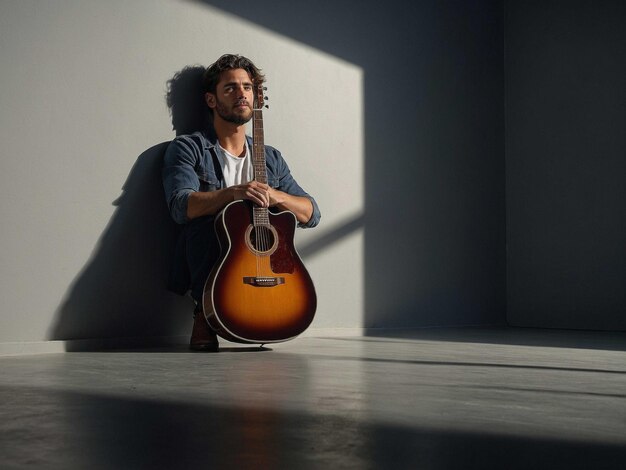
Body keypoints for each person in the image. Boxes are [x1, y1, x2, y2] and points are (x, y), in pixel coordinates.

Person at [162, 54, 321, 352]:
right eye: (231, 88)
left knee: (282, 219)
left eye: (247, 87)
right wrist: (233, 193)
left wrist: (277, 196)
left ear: (256, 95)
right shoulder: (188, 148)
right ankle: (205, 313)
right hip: (217, 257)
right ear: (212, 100)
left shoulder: (270, 158)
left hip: (265, 264)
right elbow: (180, 206)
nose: (242, 94)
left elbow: (312, 213)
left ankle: (273, 303)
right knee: (211, 220)